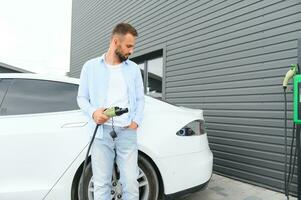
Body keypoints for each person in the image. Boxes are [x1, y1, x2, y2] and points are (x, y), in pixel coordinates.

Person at [77, 23, 144, 200]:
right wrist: (93, 113)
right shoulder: (90, 67)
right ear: (116, 42)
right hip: (100, 134)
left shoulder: (134, 69)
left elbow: (140, 99)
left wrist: (135, 121)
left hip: (127, 132)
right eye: (129, 46)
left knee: (130, 182)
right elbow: (81, 98)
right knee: (101, 184)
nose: (131, 51)